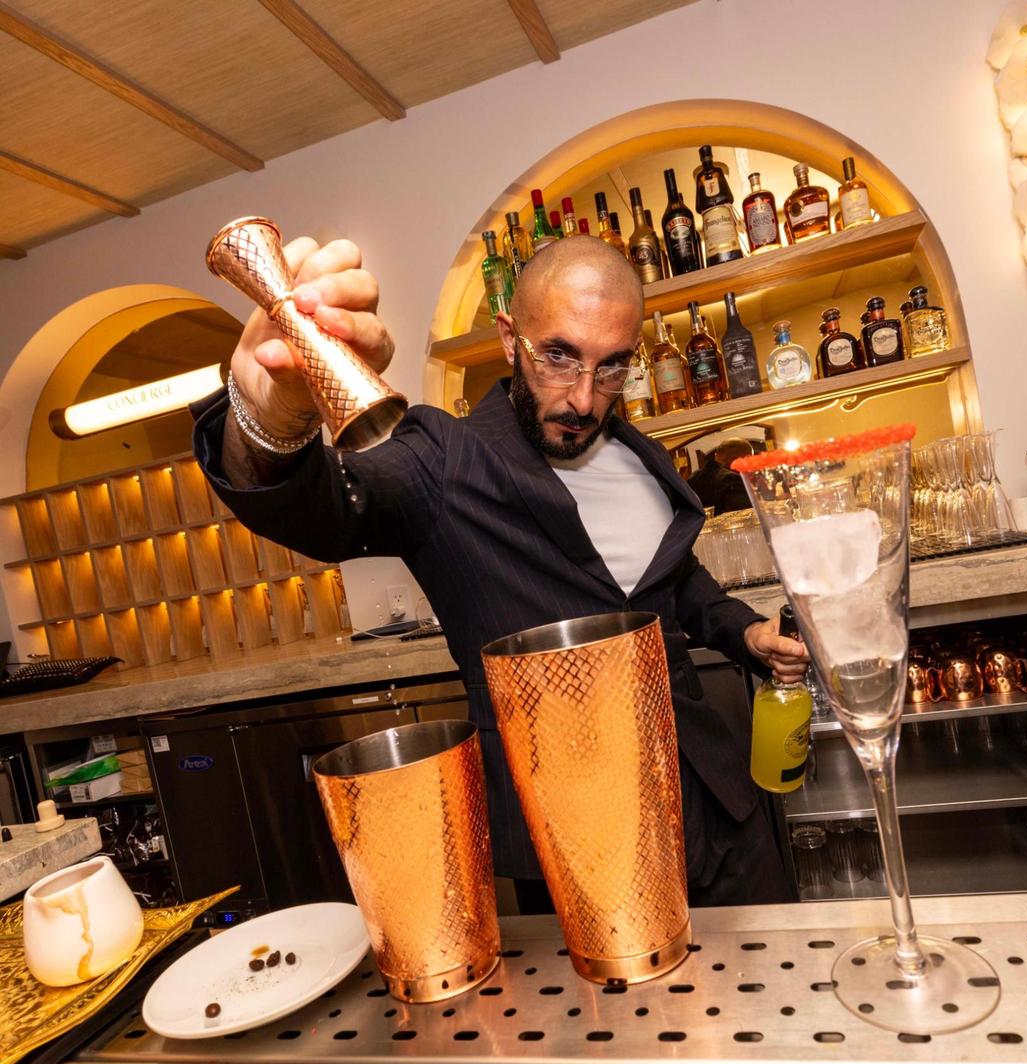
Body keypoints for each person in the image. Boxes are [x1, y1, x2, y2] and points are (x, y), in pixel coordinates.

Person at [192, 233, 808, 910]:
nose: (583, 399)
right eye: (559, 356)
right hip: (575, 846)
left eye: (611, 367)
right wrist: (270, 423)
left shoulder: (640, 455)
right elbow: (323, 509)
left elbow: (672, 581)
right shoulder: (444, 459)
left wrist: (744, 632)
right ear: (511, 339)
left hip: (717, 807)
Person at [688, 438, 755, 515]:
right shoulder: (732, 479)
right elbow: (744, 514)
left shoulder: (693, 477)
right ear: (744, 459)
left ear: (716, 455)